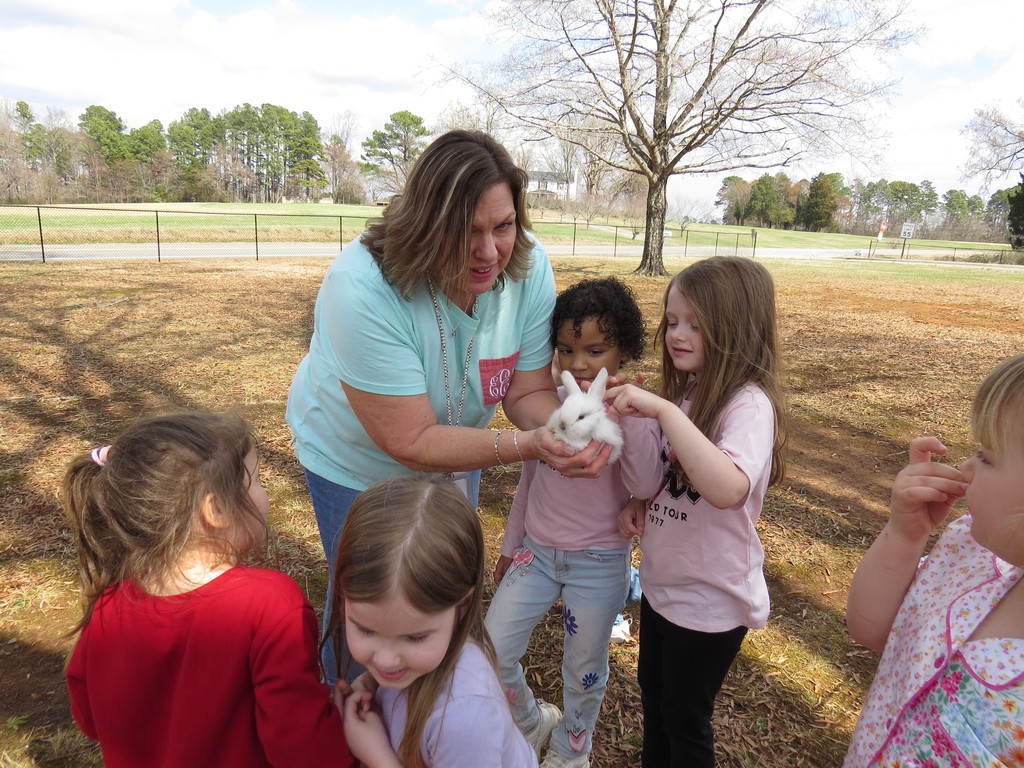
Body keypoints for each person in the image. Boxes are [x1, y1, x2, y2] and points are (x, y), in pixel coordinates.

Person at [285, 130, 609, 680]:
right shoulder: (361, 288)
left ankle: (425, 731)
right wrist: (528, 445)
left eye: (502, 226)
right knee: (371, 611)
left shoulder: (526, 271)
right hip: (356, 462)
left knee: (442, 597)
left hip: (460, 448)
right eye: (466, 231)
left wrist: (565, 429)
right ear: (427, 225)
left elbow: (527, 391)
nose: (488, 252)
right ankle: (343, 720)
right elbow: (408, 441)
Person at [62, 411, 354, 768]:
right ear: (215, 509)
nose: (266, 497)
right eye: (256, 481)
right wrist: (345, 729)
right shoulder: (271, 605)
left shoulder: (109, 604)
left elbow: (90, 718)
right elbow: (302, 747)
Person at [606, 256, 789, 768]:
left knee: (686, 720)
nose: (677, 334)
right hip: (665, 586)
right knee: (656, 702)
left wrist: (661, 410)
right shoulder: (686, 393)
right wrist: (638, 422)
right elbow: (650, 477)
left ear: (734, 327)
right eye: (671, 321)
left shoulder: (748, 406)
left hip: (711, 602)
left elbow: (727, 487)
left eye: (695, 323)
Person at [484, 276, 656, 768]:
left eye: (596, 350)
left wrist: (635, 420)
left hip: (599, 564)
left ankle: (570, 748)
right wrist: (508, 546)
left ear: (622, 352)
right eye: (566, 350)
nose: (580, 364)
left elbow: (644, 484)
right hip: (535, 556)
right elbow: (528, 483)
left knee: (583, 670)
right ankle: (530, 722)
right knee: (492, 649)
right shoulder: (552, 411)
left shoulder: (633, 414)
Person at [844, 353, 1024, 767]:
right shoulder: (972, 555)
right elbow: (871, 629)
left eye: (987, 457)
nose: (965, 467)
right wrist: (904, 535)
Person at [326, 475, 537, 768]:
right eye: (365, 629)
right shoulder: (421, 661)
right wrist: (371, 685)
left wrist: (377, 756)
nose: (385, 661)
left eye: (414, 638)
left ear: (462, 605)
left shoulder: (465, 720)